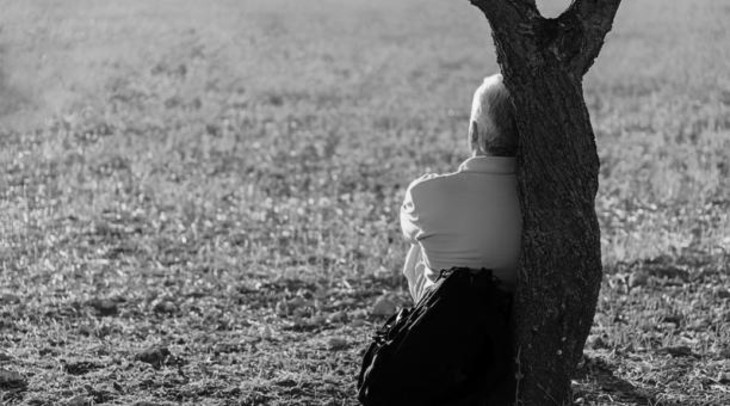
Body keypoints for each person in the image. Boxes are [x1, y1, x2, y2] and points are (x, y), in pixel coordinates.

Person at [400, 73, 522, 303]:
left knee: (418, 246)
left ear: (474, 132)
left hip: (446, 319)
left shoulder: (425, 193)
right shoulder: (544, 198)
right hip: (513, 315)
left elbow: (407, 230)